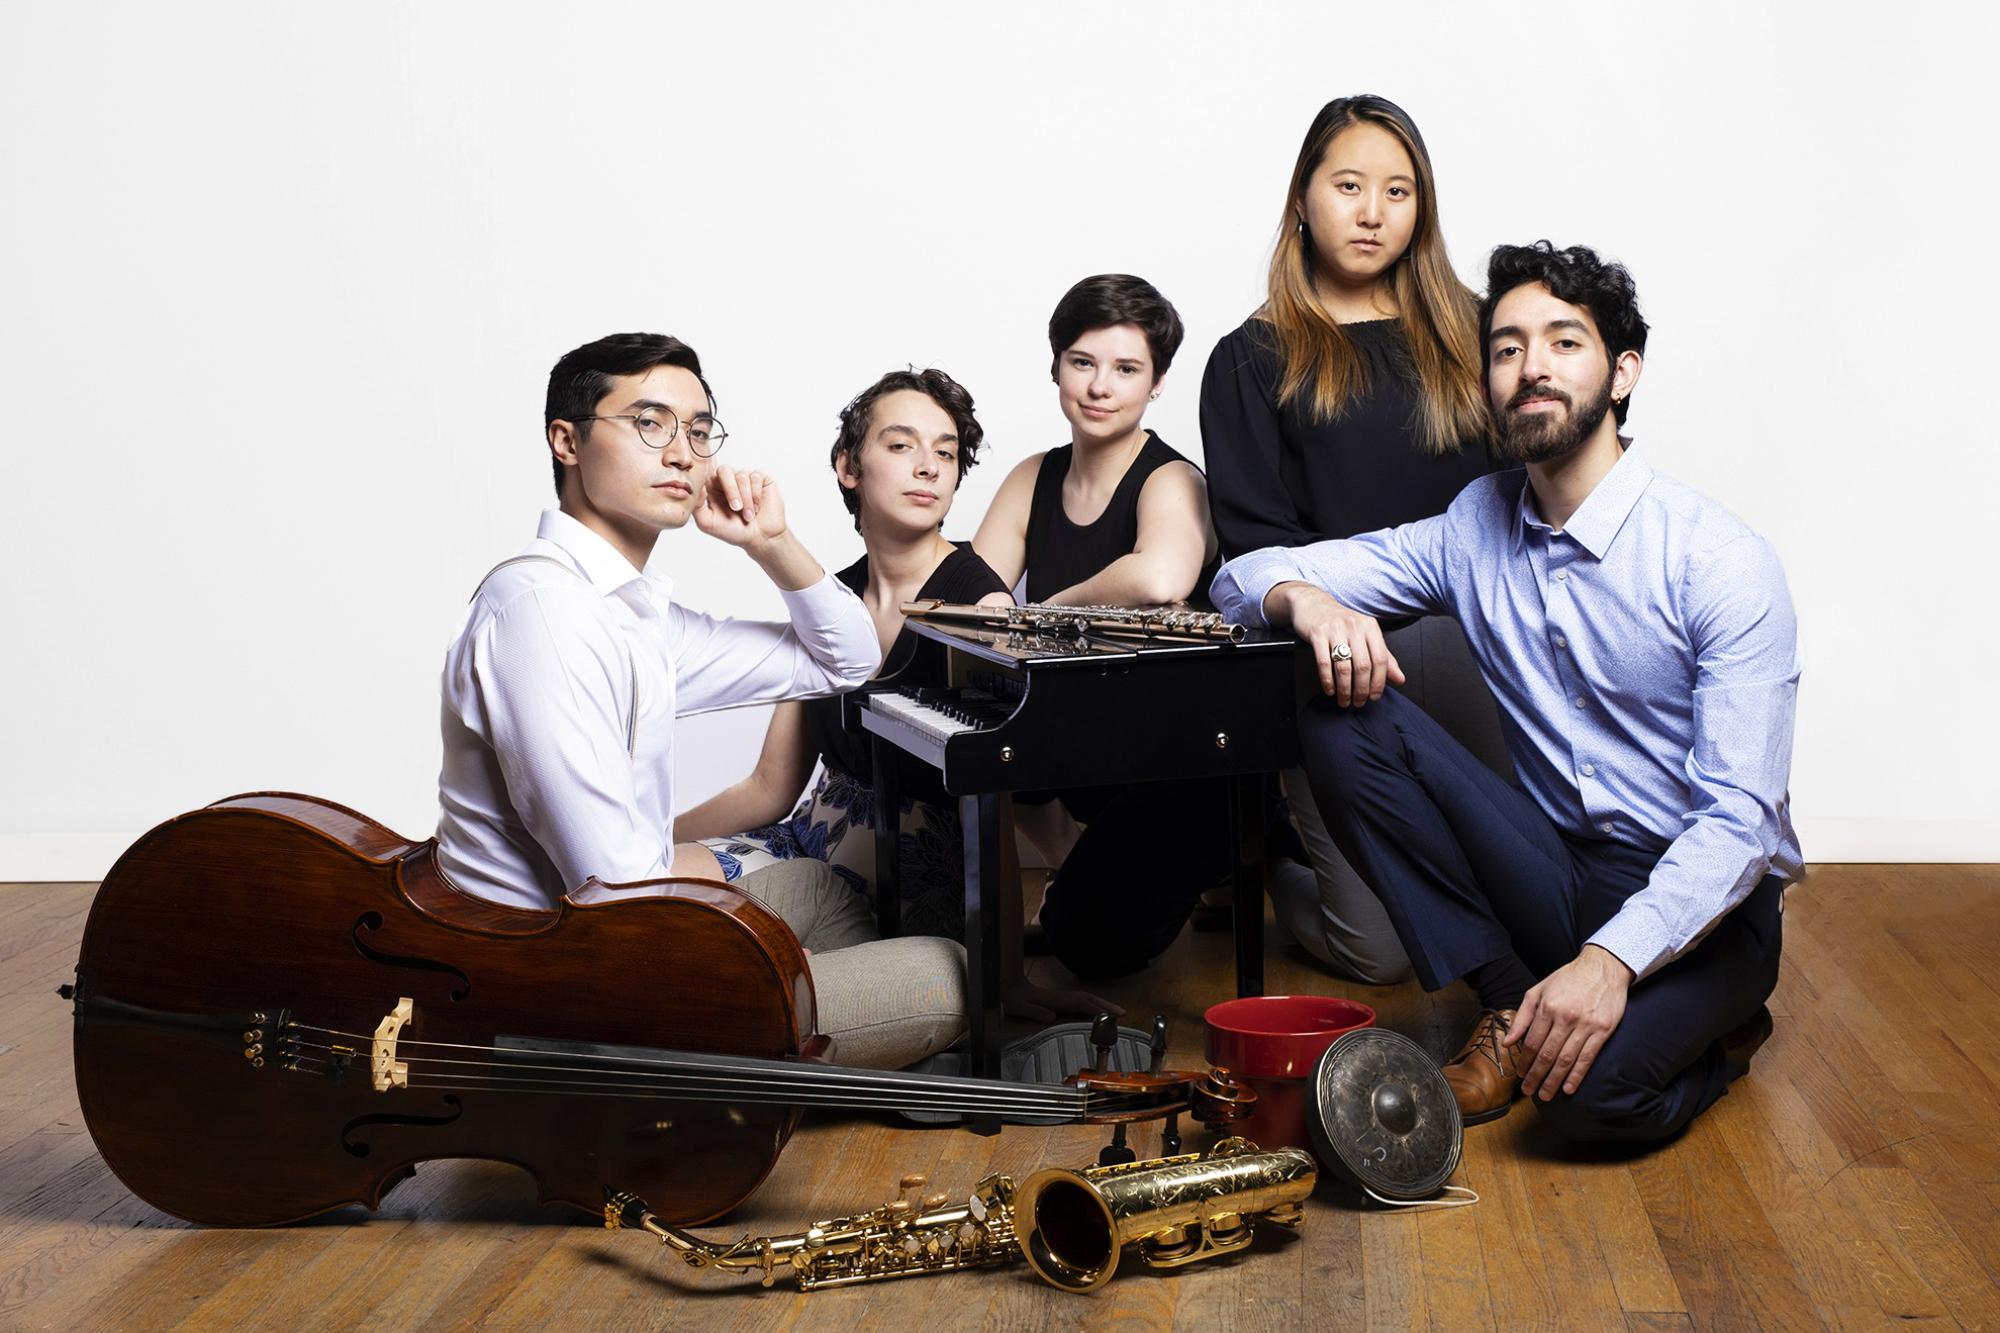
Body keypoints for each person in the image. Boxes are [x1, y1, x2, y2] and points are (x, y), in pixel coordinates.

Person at [1210, 244, 1799, 1142]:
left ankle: (1719, 1041)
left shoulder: (1718, 560)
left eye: (1565, 342)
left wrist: (1610, 962)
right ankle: (1511, 999)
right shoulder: (1471, 528)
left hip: (1709, 903)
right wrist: (1308, 599)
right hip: (1559, 867)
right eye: (1509, 347)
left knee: (1590, 1106)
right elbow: (1241, 575)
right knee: (1339, 719)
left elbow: (1740, 825)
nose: (1533, 367)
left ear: (1623, 372)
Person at [436, 333, 967, 1069]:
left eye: (698, 429)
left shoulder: (627, 612)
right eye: (649, 423)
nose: (684, 453)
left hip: (613, 938)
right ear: (568, 440)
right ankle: (721, 1082)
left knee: (822, 890)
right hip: (572, 988)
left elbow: (846, 660)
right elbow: (615, 891)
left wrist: (770, 542)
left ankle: (787, 1060)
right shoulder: (546, 616)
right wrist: (758, 967)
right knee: (951, 976)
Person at [680, 368, 1112, 1023]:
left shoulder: (980, 602)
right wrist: (639, 839)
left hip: (906, 887)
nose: (929, 467)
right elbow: (770, 786)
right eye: (903, 445)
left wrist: (1008, 982)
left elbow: (994, 788)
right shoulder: (829, 600)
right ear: (848, 466)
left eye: (945, 452)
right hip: (802, 844)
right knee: (638, 884)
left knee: (732, 985)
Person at [1199, 93, 1508, 984]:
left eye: (1398, 191)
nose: (1373, 213)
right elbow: (1254, 545)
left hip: (1486, 646)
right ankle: (1276, 864)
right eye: (1348, 186)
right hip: (1342, 660)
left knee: (1520, 906)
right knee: (1382, 955)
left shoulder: (1479, 331)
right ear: (1304, 197)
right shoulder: (1252, 357)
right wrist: (1320, 610)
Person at [972, 274, 1229, 979]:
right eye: (1082, 362)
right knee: (984, 702)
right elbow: (975, 596)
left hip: (1173, 753)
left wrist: (1043, 612)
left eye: (1125, 369)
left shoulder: (1172, 479)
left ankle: (1251, 865)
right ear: (1056, 366)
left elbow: (1160, 579)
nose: (1099, 386)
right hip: (1078, 736)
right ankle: (1071, 863)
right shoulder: (1034, 476)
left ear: (1157, 383)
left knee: (1096, 951)